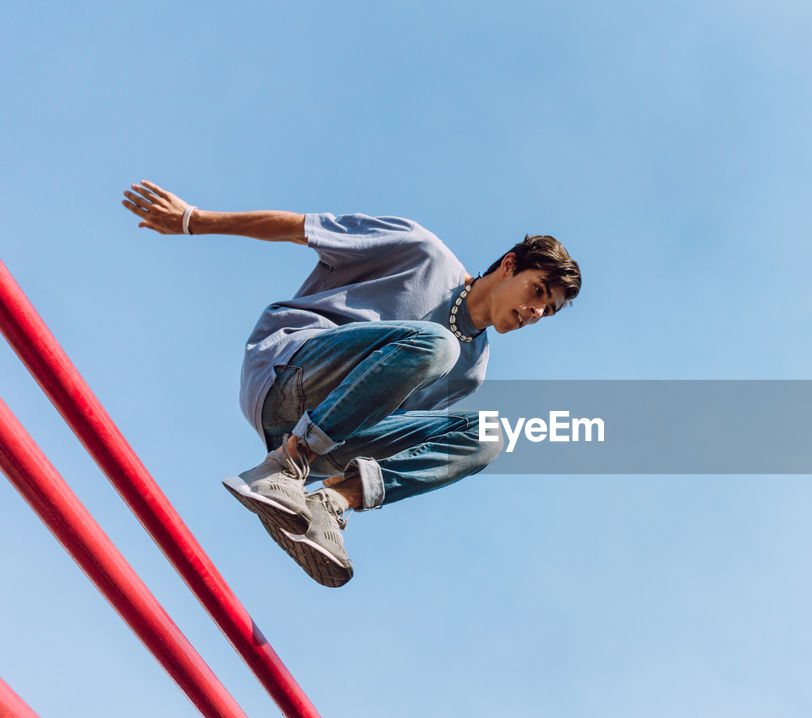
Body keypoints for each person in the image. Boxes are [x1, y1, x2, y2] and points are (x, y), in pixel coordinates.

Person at [121, 180, 581, 588]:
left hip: (323, 438)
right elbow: (301, 228)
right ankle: (287, 464)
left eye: (549, 310)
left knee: (488, 436)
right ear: (508, 266)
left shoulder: (473, 371)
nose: (536, 311)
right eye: (537, 291)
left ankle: (330, 503)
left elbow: (384, 424)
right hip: (291, 369)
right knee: (439, 346)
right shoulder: (421, 251)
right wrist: (192, 220)